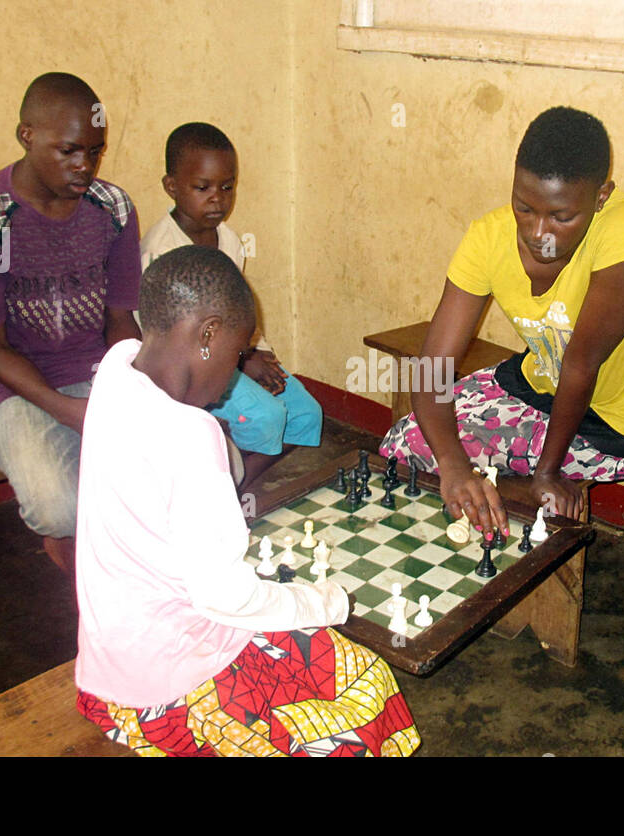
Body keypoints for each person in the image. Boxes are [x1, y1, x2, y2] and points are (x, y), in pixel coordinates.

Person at [74, 245, 420, 757]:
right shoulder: (189, 436)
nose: (235, 374)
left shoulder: (116, 368)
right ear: (209, 335)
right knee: (365, 686)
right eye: (238, 355)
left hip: (106, 666)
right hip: (167, 697)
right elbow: (228, 598)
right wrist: (324, 602)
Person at [380, 106, 624, 533]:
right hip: (534, 387)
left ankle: (517, 515)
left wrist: (547, 472)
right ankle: (482, 552)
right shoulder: (488, 236)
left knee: (518, 497)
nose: (539, 232)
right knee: (404, 448)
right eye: (524, 207)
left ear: (601, 196)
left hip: (616, 420)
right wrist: (454, 467)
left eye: (561, 217)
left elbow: (581, 364)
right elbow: (433, 367)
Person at [0, 72, 141, 574]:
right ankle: (75, 572)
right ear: (26, 136)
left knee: (200, 461)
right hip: (18, 384)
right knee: (60, 506)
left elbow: (121, 319)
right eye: (70, 151)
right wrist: (70, 411)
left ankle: (136, 577)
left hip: (100, 372)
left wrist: (129, 387)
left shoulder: (113, 209)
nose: (86, 167)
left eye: (96, 152)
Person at [140, 122, 323, 491]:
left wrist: (256, 354)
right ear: (171, 187)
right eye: (202, 187)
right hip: (196, 369)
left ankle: (237, 482)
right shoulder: (161, 251)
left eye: (227, 187)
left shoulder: (230, 240)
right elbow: (167, 345)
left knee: (307, 414)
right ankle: (227, 488)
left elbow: (236, 313)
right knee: (269, 418)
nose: (218, 199)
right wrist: (243, 363)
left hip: (238, 356)